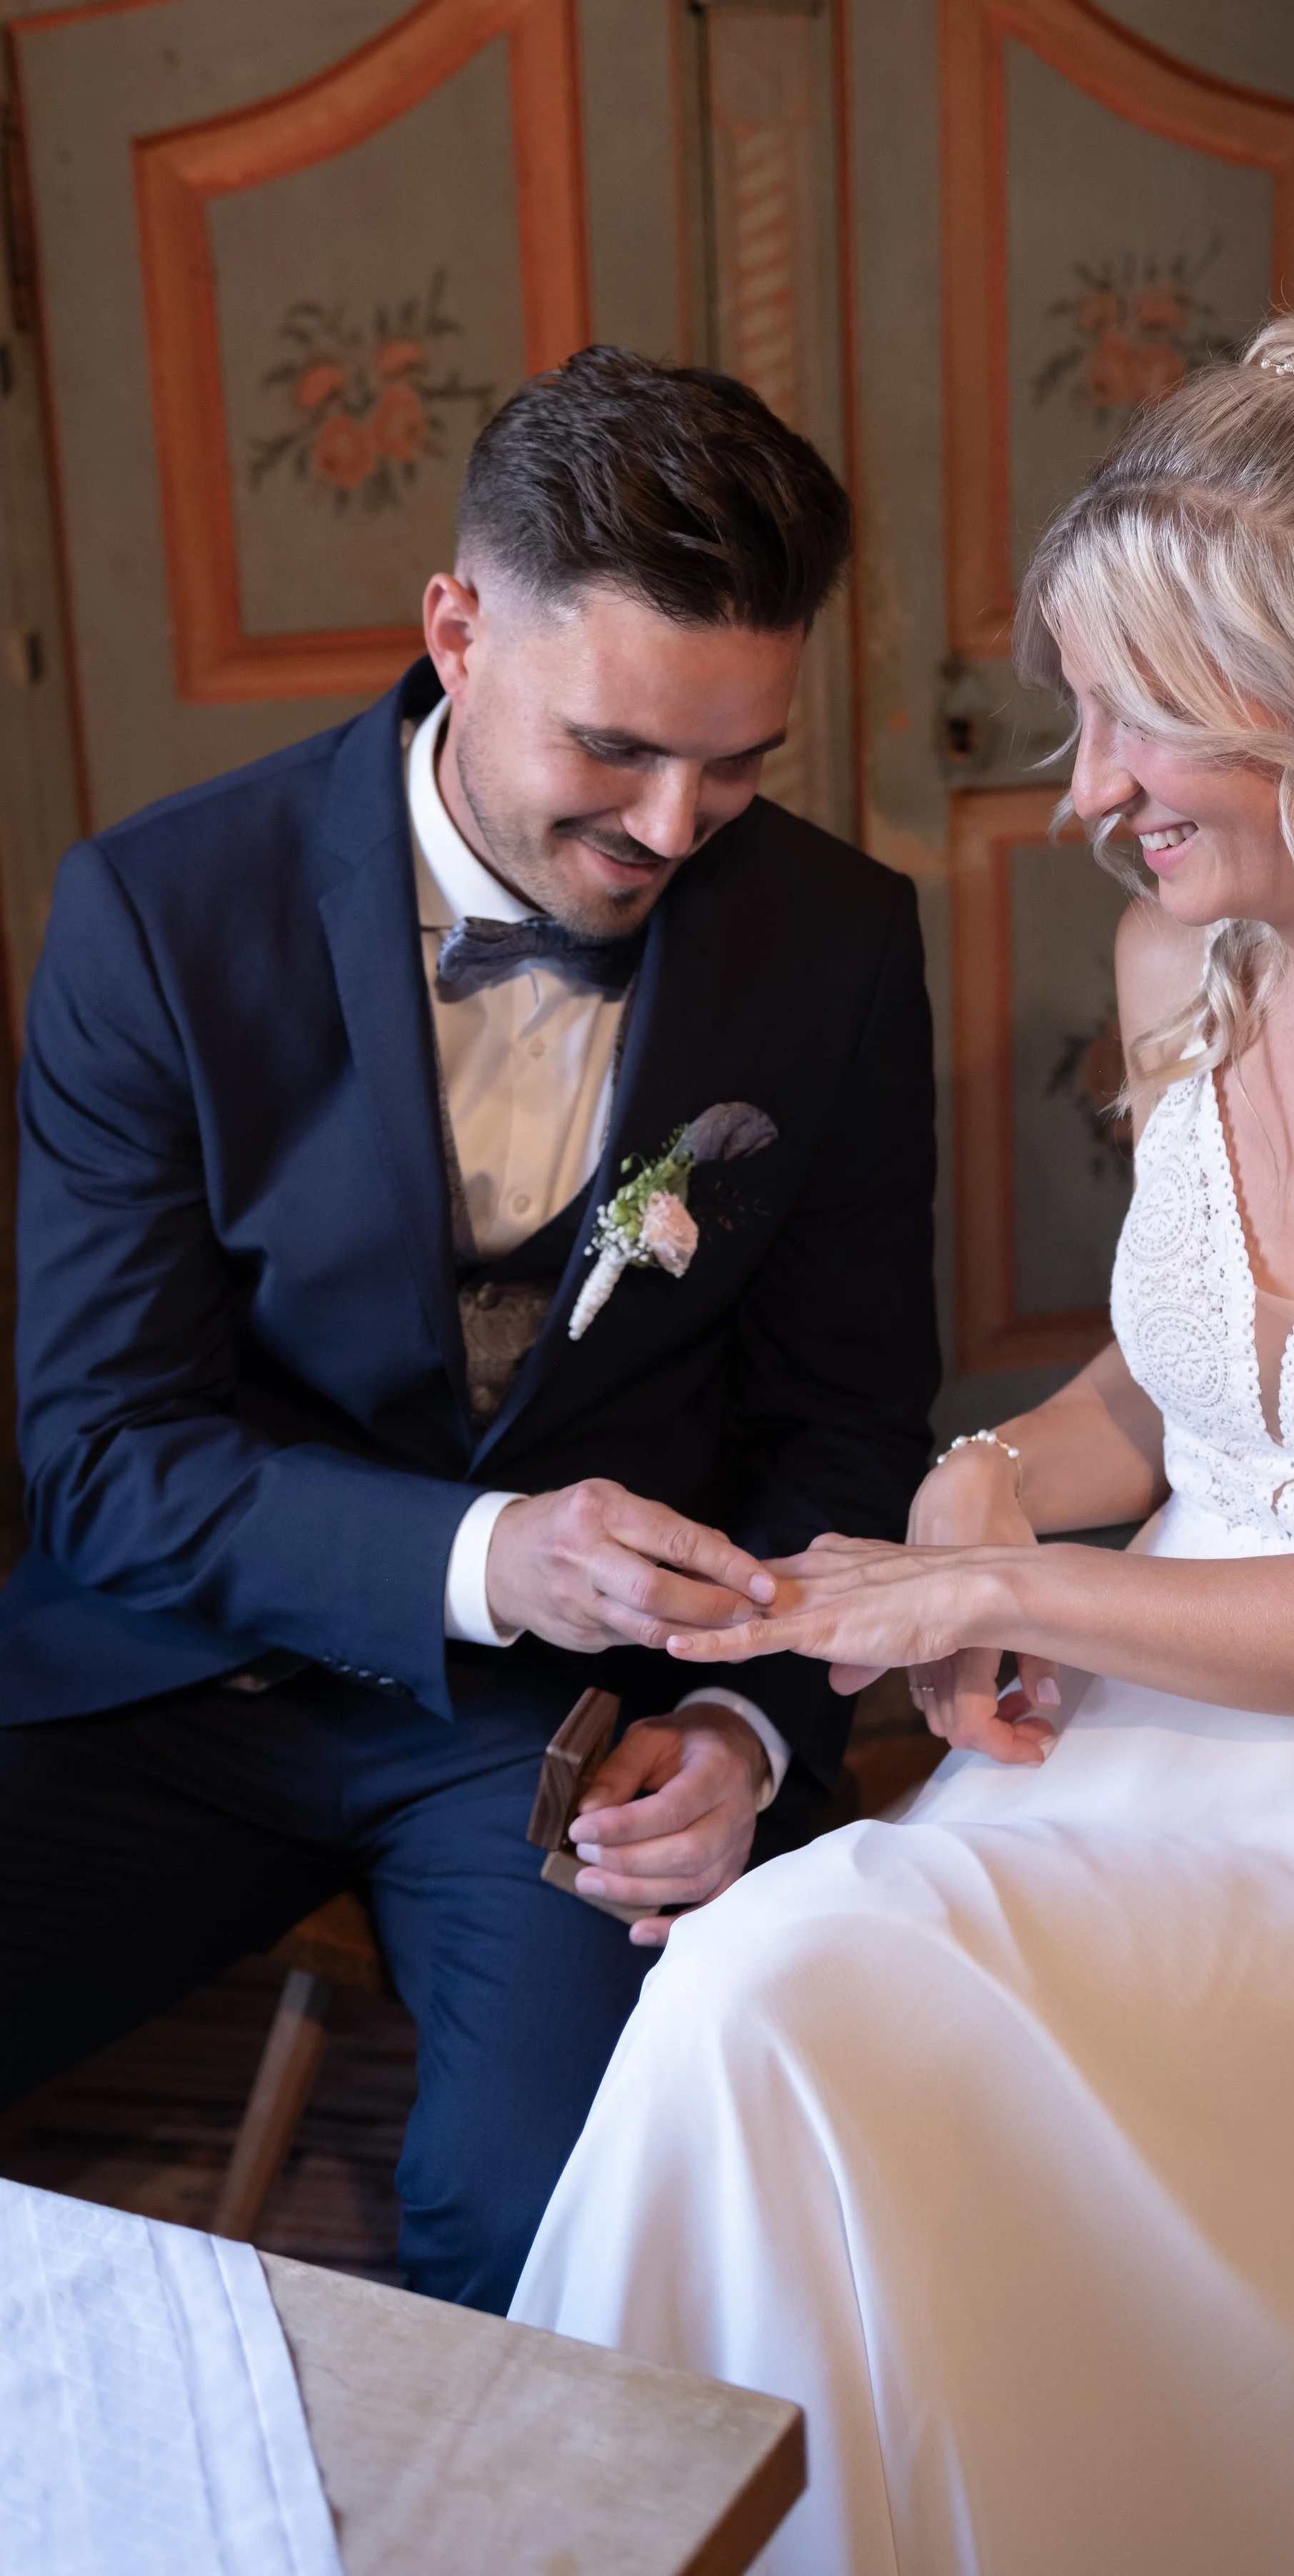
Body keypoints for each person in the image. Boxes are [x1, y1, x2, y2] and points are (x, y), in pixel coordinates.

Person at [512, 316, 1294, 2575]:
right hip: (1149, 1735)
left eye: (1133, 714)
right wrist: (990, 1474)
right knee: (757, 1997)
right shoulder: (1182, 964)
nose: (1084, 786)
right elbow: (1167, 1396)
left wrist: (992, 1589)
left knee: (786, 1987)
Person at [0, 348, 939, 2310]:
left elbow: (848, 1420)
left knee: (581, 2229)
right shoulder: (161, 916)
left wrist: (750, 1727)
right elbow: (103, 1457)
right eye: (613, 747)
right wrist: (483, 1554)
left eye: (740, 759)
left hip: (568, 1738)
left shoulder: (836, 944)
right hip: (182, 1675)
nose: (679, 824)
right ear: (454, 628)